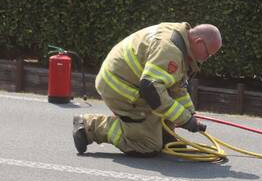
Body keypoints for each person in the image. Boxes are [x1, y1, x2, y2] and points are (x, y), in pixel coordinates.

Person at [73, 22, 222, 156]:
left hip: (133, 83)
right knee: (148, 145)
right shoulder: (170, 50)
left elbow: (176, 86)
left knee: (166, 111)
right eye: (208, 53)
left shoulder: (181, 41)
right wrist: (185, 119)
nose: (206, 58)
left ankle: (161, 133)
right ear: (199, 42)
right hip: (119, 87)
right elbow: (151, 90)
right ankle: (90, 127)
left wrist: (189, 113)